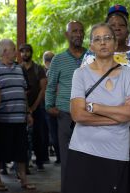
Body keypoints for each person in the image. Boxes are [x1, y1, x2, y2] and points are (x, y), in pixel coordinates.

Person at [59, 22, 130, 193]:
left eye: (108, 38)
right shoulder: (80, 74)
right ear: (91, 45)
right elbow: (77, 115)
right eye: (97, 39)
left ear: (116, 44)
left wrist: (96, 107)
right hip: (84, 149)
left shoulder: (128, 74)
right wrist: (116, 116)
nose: (103, 42)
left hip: (116, 151)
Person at [0, 39, 35, 191]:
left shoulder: (19, 68)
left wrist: (28, 112)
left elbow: (23, 92)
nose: (16, 52)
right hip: (2, 118)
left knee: (21, 151)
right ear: (4, 52)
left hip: (20, 118)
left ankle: (23, 179)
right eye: (14, 49)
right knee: (0, 151)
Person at [45, 21, 86, 181]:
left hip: (89, 115)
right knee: (68, 160)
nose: (78, 34)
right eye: (74, 31)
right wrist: (49, 106)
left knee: (87, 159)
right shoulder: (58, 59)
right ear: (67, 35)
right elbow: (51, 85)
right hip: (65, 115)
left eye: (81, 31)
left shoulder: (92, 57)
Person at [20, 43, 49, 172]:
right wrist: (27, 108)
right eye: (22, 52)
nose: (24, 54)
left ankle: (40, 160)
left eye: (27, 51)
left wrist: (33, 107)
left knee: (39, 134)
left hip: (38, 106)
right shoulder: (18, 68)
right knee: (23, 136)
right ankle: (24, 162)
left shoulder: (38, 69)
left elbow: (43, 89)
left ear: (31, 53)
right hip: (22, 108)